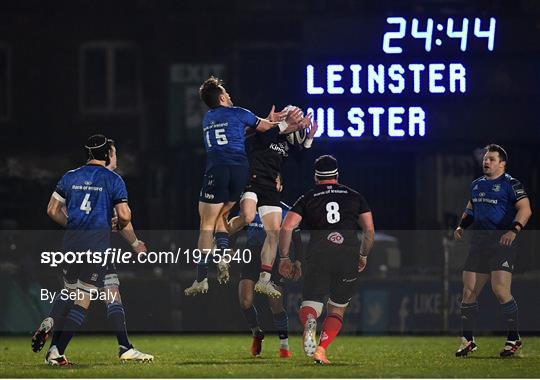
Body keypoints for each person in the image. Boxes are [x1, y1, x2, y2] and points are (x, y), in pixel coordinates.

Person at [32, 142, 153, 363]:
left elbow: (52, 210)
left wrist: (74, 225)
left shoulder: (71, 176)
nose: (116, 158)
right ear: (107, 154)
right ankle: (58, 350)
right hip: (97, 247)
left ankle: (52, 324)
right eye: (115, 153)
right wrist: (135, 242)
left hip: (71, 244)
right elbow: (124, 218)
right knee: (87, 297)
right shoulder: (113, 180)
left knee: (70, 291)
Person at [185, 76, 307, 295]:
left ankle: (203, 275)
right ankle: (223, 254)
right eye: (227, 94)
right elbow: (264, 129)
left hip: (218, 169)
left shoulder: (206, 119)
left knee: (209, 222)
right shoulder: (240, 113)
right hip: (241, 171)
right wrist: (281, 122)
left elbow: (253, 132)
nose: (230, 96)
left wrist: (280, 124)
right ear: (222, 97)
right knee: (243, 217)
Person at [279, 155, 375, 365]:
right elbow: (369, 229)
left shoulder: (308, 197)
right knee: (337, 308)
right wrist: (363, 254)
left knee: (311, 304)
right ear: (337, 175)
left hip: (319, 254)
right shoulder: (354, 196)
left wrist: (285, 257)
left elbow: (287, 227)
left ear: (316, 177)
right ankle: (321, 350)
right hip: (347, 254)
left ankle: (311, 321)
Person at [225, 112, 316, 298]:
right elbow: (262, 136)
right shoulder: (267, 130)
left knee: (273, 233)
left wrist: (309, 138)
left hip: (270, 187)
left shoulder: (287, 144)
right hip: (253, 180)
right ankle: (222, 233)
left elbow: (301, 159)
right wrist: (286, 124)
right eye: (296, 121)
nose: (298, 125)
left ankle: (264, 280)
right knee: (247, 217)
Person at [454, 144, 531, 358]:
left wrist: (514, 230)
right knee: (468, 292)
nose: (486, 162)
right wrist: (462, 225)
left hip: (501, 243)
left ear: (502, 164)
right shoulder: (477, 185)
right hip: (478, 243)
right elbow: (471, 208)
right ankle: (467, 340)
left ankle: (513, 339)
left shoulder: (511, 184)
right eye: (485, 159)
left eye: (491, 159)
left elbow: (525, 208)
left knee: (500, 289)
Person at [237, 202, 303, 358]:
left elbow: (297, 239)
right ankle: (256, 333)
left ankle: (284, 344)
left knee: (276, 306)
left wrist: (298, 261)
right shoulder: (250, 206)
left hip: (274, 259)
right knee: (244, 301)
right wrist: (229, 248)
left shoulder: (286, 210)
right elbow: (237, 227)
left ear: (278, 186)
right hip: (252, 256)